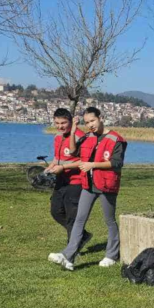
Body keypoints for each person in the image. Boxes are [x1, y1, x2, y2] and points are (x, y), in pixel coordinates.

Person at [48, 107, 127, 270]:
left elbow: (116, 163)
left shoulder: (116, 139)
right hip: (88, 185)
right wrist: (73, 131)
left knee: (109, 220)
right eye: (87, 122)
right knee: (79, 219)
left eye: (92, 121)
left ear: (101, 118)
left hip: (106, 185)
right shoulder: (87, 137)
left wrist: (92, 165)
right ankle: (68, 256)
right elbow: (73, 151)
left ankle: (112, 255)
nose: (90, 125)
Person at [44, 108, 91, 249]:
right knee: (56, 212)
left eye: (63, 123)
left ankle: (71, 249)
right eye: (57, 123)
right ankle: (82, 235)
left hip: (76, 182)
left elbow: (84, 161)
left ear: (71, 121)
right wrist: (49, 168)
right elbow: (57, 158)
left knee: (72, 217)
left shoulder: (80, 137)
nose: (60, 126)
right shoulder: (57, 137)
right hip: (60, 180)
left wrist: (63, 167)